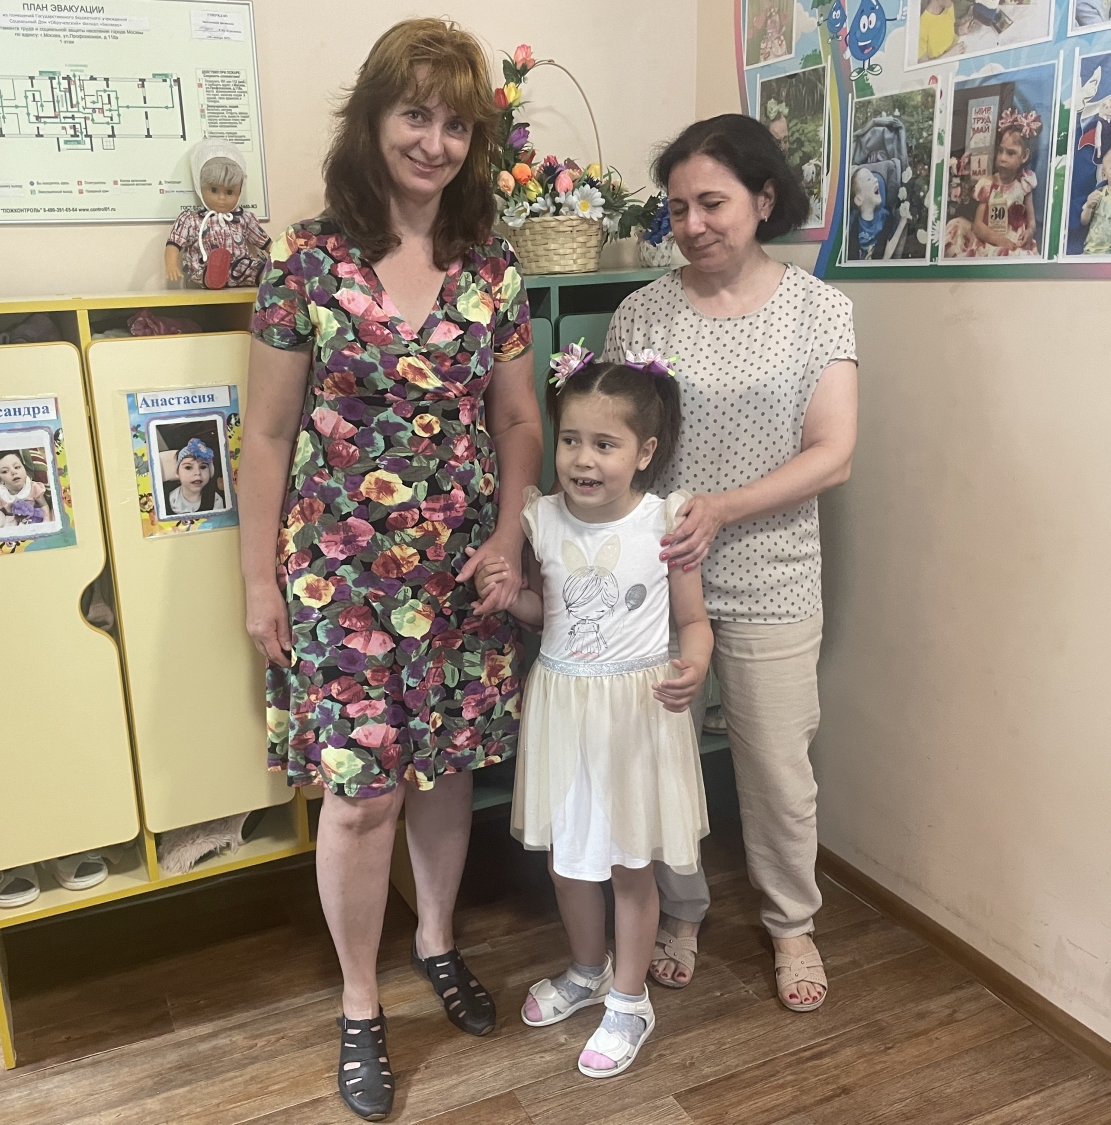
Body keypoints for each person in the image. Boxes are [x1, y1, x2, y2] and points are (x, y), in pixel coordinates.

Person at [237, 18, 541, 1122]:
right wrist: (259, 582)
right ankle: (361, 1002)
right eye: (415, 114)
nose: (433, 141)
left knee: (447, 774)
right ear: (371, 120)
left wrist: (508, 536)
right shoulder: (304, 261)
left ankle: (438, 939)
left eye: (456, 124)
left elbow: (519, 422)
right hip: (341, 580)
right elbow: (267, 434)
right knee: (361, 796)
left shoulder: (492, 267)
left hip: (461, 573)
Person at [602, 115, 858, 1011]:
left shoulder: (819, 309)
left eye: (711, 202)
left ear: (763, 198)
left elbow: (834, 453)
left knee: (778, 768)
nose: (693, 223)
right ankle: (680, 909)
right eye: (677, 208)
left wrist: (721, 507)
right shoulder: (641, 313)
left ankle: (792, 923)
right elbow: (616, 441)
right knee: (661, 762)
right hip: (656, 581)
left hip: (773, 572)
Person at [477, 350, 711, 1079]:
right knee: (569, 860)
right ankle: (588, 968)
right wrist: (509, 597)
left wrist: (695, 664)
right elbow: (546, 611)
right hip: (562, 710)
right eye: (572, 439)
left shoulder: (667, 521)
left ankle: (630, 999)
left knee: (630, 863)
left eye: (605, 444)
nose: (583, 458)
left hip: (635, 717)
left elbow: (694, 622)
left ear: (644, 451)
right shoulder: (540, 518)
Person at [165, 139, 270, 289]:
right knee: (198, 268)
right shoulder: (191, 219)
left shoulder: (244, 218)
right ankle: (212, 279)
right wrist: (171, 264)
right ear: (200, 187)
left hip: (239, 266)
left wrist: (281, 254)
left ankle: (266, 276)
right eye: (214, 190)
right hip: (205, 265)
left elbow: (264, 241)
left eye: (229, 192)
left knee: (254, 267)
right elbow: (174, 243)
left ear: (239, 191)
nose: (222, 198)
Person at [943, 110, 1042, 258]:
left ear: (1024, 156)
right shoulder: (988, 184)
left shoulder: (1024, 183)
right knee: (955, 227)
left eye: (1010, 153)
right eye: (1000, 151)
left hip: (1014, 240)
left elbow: (1031, 220)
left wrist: (1029, 231)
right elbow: (978, 226)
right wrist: (1000, 241)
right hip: (990, 239)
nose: (1002, 158)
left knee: (1016, 256)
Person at [0, 450, 52, 528]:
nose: (13, 472)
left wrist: (46, 522)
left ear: (25, 470)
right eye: (5, 471)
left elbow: (44, 505)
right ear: (0, 479)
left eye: (17, 467)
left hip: (32, 519)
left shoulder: (33, 487)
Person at [165, 437, 226, 515]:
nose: (197, 472)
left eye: (203, 467)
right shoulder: (167, 498)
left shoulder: (215, 500)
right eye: (188, 467)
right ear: (177, 472)